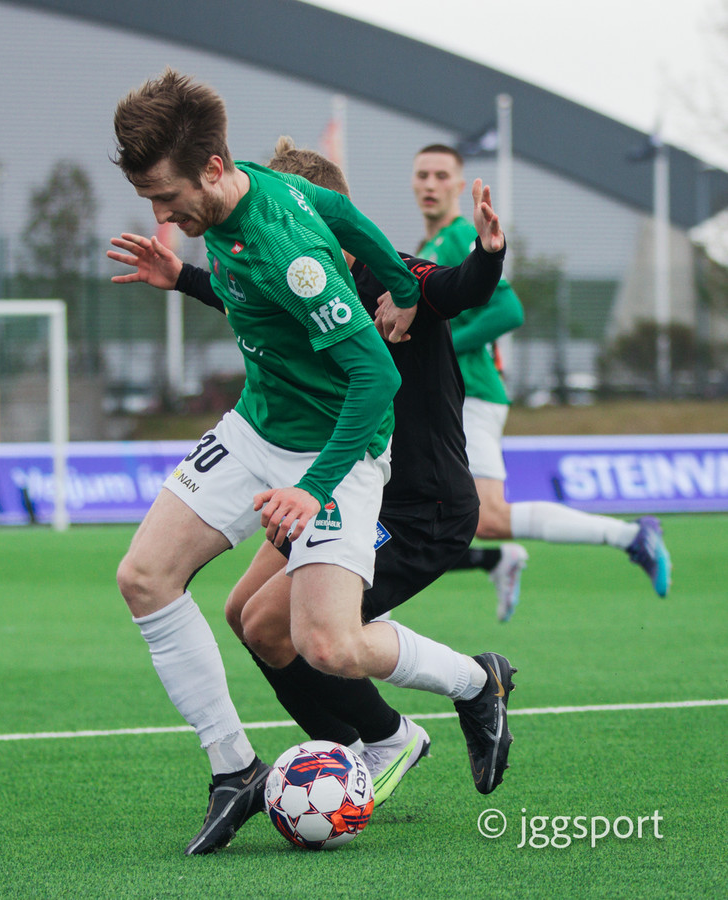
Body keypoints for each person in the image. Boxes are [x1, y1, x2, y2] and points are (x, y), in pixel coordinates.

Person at [110, 70, 513, 855]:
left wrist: (312, 487)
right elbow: (340, 216)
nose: (161, 216)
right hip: (257, 427)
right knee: (145, 577)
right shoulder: (258, 191)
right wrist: (182, 274)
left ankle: (473, 684)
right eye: (149, 199)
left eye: (166, 197)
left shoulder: (293, 255)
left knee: (326, 644)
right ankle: (235, 769)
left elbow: (378, 378)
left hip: (339, 453)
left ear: (213, 169)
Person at [412, 143, 672, 619]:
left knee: (487, 516)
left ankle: (631, 535)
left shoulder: (456, 236)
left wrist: (444, 345)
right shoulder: (430, 245)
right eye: (422, 175)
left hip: (472, 396)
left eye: (441, 175)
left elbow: (509, 310)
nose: (430, 184)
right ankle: (495, 560)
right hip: (452, 397)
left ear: (459, 184)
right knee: (413, 507)